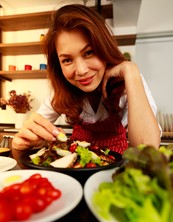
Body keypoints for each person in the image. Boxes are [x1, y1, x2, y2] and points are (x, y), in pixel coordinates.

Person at [12, 4, 161, 154]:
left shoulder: (129, 81)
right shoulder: (60, 92)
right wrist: (22, 141)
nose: (82, 71)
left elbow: (147, 149)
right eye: (67, 60)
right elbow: (32, 131)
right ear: (59, 65)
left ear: (104, 48)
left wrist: (131, 69)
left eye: (89, 52)